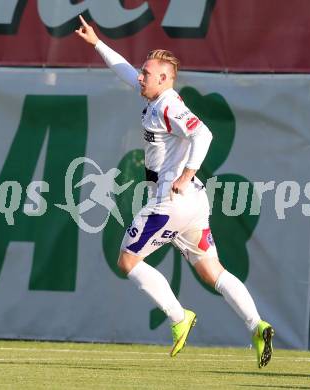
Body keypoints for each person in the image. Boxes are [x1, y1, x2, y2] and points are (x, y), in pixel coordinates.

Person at [75, 15, 274, 368]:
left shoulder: (168, 104)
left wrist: (187, 173)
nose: (140, 76)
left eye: (147, 73)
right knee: (212, 271)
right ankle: (257, 325)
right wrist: (97, 43)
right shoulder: (156, 98)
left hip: (170, 201)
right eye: (142, 71)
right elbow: (124, 71)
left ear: (164, 79)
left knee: (127, 260)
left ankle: (179, 316)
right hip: (193, 204)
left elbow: (204, 134)